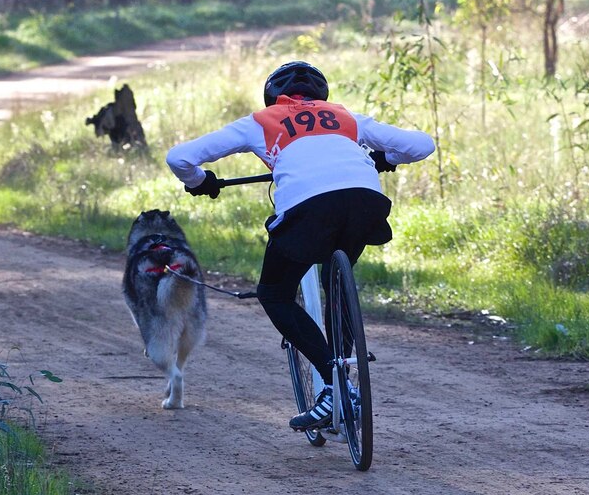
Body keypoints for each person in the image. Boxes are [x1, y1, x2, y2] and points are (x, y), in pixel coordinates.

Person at [166, 61, 435, 431]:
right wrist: (386, 158)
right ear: (322, 96)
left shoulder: (261, 121)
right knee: (336, 278)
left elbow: (179, 157)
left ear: (273, 96)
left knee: (275, 293)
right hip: (366, 203)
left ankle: (334, 382)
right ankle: (341, 368)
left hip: (309, 208)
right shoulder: (347, 117)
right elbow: (423, 145)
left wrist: (200, 181)